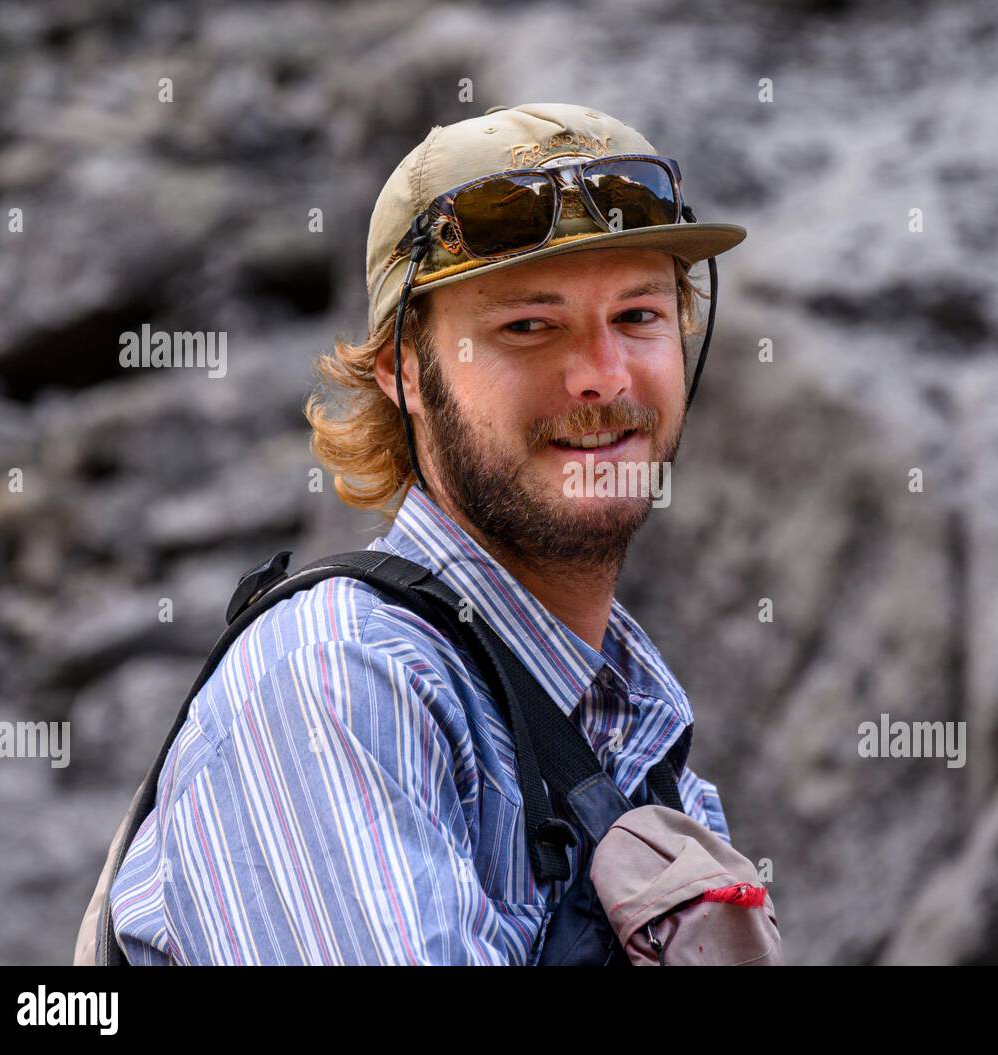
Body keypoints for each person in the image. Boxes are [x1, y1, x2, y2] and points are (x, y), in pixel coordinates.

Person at [107, 102, 748, 964]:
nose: (602, 375)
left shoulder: (636, 722)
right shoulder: (338, 682)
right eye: (528, 326)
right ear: (403, 370)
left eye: (638, 316)